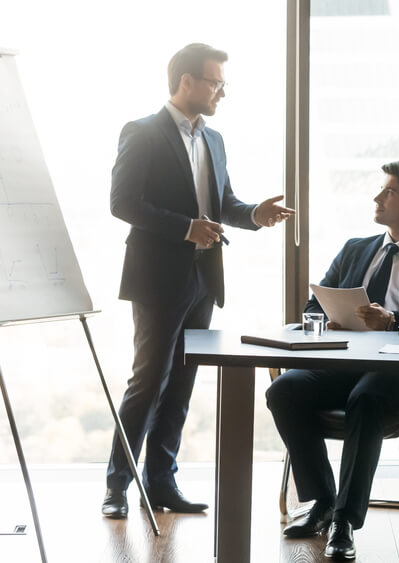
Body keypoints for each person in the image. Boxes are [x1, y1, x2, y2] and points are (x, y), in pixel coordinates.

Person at [103, 43, 294, 519]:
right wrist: (186, 227)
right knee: (148, 382)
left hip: (203, 280)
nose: (221, 92)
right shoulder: (142, 132)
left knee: (182, 386)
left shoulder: (216, 140)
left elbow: (222, 202)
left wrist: (254, 214)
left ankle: (161, 483)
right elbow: (123, 203)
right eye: (215, 82)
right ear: (186, 81)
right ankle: (116, 487)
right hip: (157, 279)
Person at [266, 160, 399, 560]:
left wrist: (393, 320)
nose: (377, 197)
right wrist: (331, 318)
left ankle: (344, 520)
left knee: (367, 397)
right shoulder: (355, 249)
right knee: (283, 390)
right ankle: (322, 501)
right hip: (345, 365)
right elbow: (314, 304)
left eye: (388, 192)